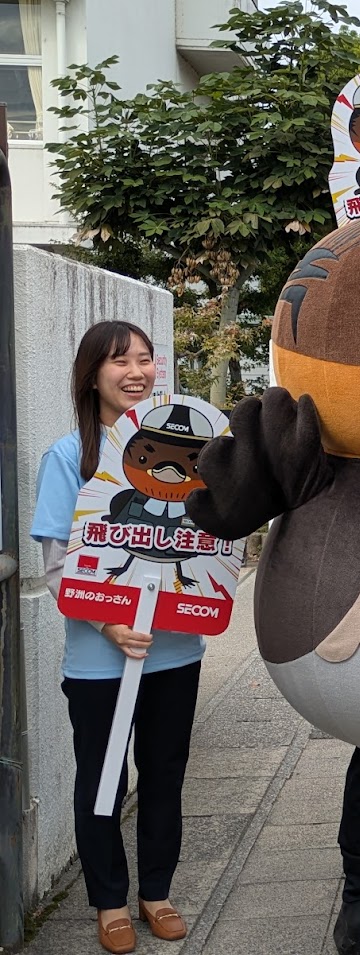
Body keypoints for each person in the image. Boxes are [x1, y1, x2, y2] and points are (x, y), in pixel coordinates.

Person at [31, 321, 204, 955]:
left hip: (176, 650)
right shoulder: (67, 456)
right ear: (92, 375)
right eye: (118, 361)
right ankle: (108, 901)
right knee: (103, 779)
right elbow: (56, 563)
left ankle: (156, 893)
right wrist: (107, 622)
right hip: (99, 659)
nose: (136, 371)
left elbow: (210, 542)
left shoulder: (192, 450)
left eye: (145, 359)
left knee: (165, 774)